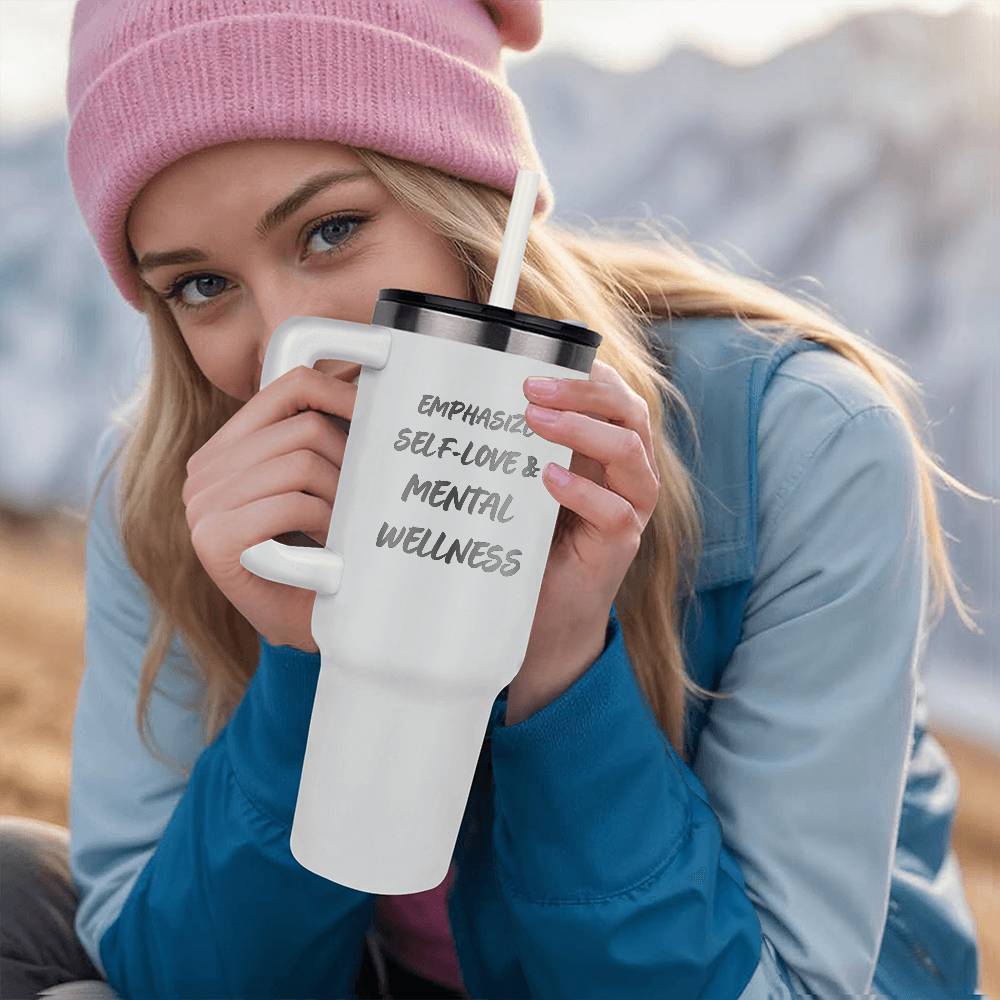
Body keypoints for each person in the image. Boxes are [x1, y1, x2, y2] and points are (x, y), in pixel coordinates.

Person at [0, 1, 985, 998]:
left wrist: (560, 675)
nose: (286, 344)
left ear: (474, 197)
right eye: (203, 286)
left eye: (333, 230)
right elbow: (179, 981)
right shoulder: (176, 488)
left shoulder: (797, 442)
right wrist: (307, 664)